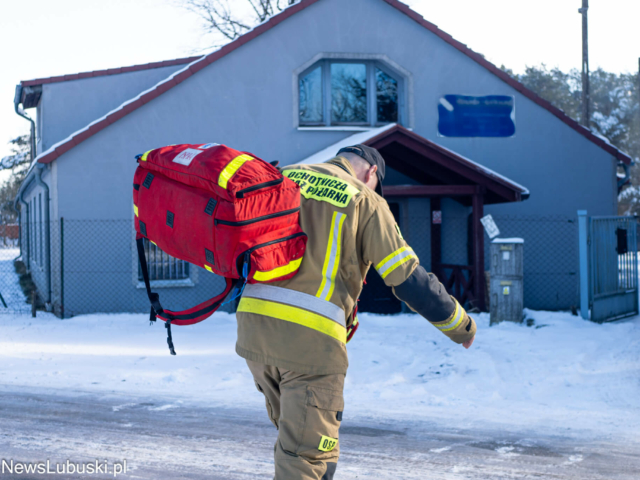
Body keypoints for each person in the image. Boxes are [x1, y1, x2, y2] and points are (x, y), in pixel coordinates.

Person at [235, 144, 477, 480]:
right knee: (307, 458)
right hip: (309, 343)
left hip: (254, 333)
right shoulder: (364, 199)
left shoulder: (284, 177)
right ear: (372, 173)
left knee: (296, 443)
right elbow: (406, 277)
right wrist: (460, 325)